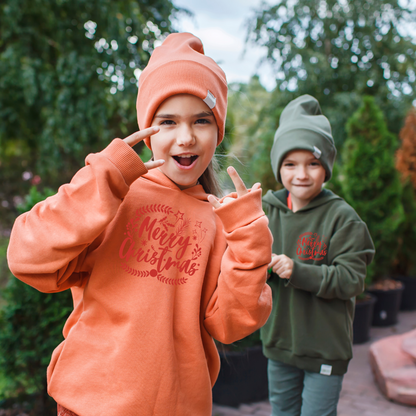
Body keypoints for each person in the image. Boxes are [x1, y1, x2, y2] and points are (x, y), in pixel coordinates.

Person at [7, 33, 273, 416]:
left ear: (218, 132)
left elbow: (231, 324)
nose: (186, 137)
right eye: (168, 121)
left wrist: (249, 243)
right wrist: (104, 179)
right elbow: (27, 258)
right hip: (90, 406)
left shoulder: (222, 220)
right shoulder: (113, 194)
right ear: (148, 130)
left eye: (202, 120)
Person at [261, 95, 375, 416]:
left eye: (312, 163)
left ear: (326, 168)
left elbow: (351, 280)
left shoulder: (342, 218)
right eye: (290, 164)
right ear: (278, 167)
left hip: (325, 349)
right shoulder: (266, 212)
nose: (301, 174)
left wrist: (297, 270)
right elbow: (245, 262)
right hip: (280, 343)